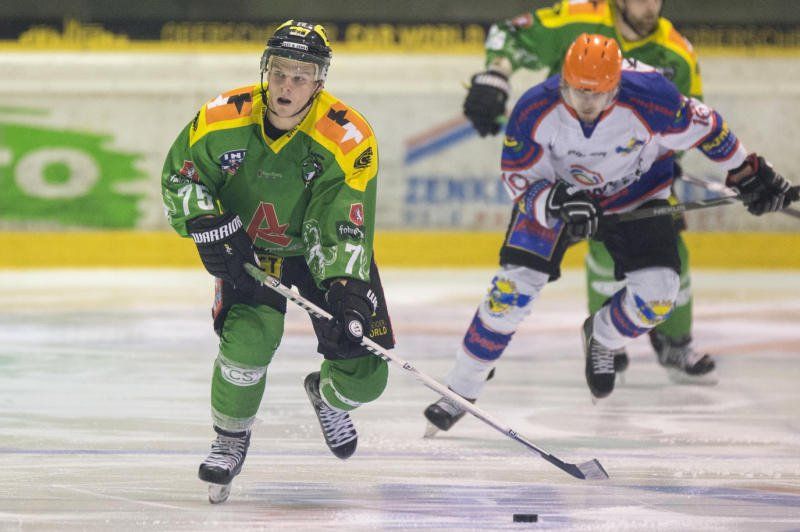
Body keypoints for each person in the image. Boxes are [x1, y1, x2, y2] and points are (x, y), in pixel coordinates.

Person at [424, 33, 795, 433]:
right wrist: (555, 201)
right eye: (578, 91)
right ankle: (460, 388)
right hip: (560, 200)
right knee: (510, 291)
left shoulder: (651, 96)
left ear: (616, 86)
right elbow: (518, 177)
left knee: (659, 294)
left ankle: (603, 336)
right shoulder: (534, 109)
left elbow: (708, 127)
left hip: (637, 195)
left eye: (598, 93)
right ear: (563, 81)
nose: (587, 103)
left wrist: (746, 171)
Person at [161, 20, 394, 502]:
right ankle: (230, 439)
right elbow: (182, 176)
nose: (287, 86)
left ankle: (326, 396)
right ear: (266, 70)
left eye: (301, 76)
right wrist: (207, 222)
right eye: (280, 72)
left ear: (319, 81)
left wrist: (347, 288)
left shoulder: (347, 137)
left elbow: (344, 220)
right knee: (248, 342)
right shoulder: (221, 118)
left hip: (321, 254)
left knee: (366, 377)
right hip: (252, 252)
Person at [463, 0, 711, 384]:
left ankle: (673, 342)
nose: (649, 4)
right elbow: (510, 33)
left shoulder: (677, 52)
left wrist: (665, 153)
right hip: (564, 172)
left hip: (632, 174)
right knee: (553, 259)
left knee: (669, 247)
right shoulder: (579, 19)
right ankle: (598, 343)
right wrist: (496, 75)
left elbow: (689, 117)